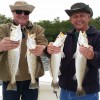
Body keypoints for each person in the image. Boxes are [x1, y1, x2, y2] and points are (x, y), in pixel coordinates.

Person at [47, 2, 100, 100]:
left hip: (87, 92)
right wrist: (48, 49)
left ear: (89, 17)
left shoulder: (98, 36)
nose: (78, 19)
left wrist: (93, 55)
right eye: (75, 16)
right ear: (71, 20)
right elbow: (55, 57)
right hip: (65, 90)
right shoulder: (65, 36)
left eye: (82, 16)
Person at [0, 0, 48, 100]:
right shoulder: (3, 28)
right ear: (12, 13)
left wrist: (42, 48)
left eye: (26, 12)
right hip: (9, 79)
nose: (22, 14)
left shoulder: (38, 29)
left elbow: (43, 43)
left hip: (32, 79)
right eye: (18, 11)